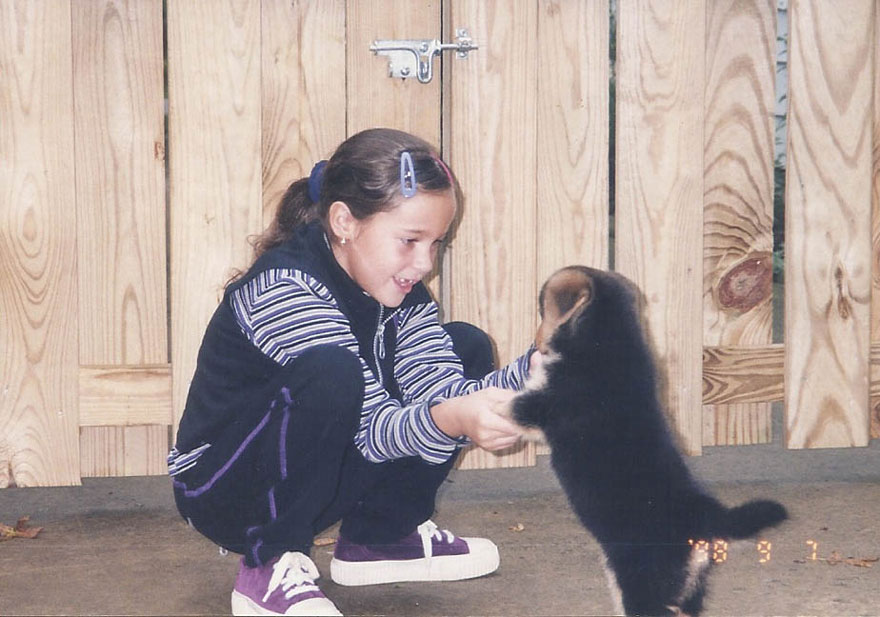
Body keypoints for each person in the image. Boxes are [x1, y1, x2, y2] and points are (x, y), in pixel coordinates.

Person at [168, 128, 538, 616]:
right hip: (224, 489)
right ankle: (267, 564)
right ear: (344, 221)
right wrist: (454, 418)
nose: (424, 264)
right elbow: (374, 429)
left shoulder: (402, 293)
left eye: (435, 244)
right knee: (332, 373)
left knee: (463, 343)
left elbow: (443, 390)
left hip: (319, 476)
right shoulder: (287, 287)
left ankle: (380, 537)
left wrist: (537, 374)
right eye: (409, 241)